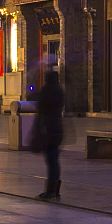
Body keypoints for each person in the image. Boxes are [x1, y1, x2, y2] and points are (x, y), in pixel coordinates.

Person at [33, 64, 65, 201]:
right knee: (54, 160)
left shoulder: (47, 90)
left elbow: (41, 108)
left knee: (51, 160)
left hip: (48, 128)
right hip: (58, 128)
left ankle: (50, 191)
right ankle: (55, 189)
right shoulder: (59, 90)